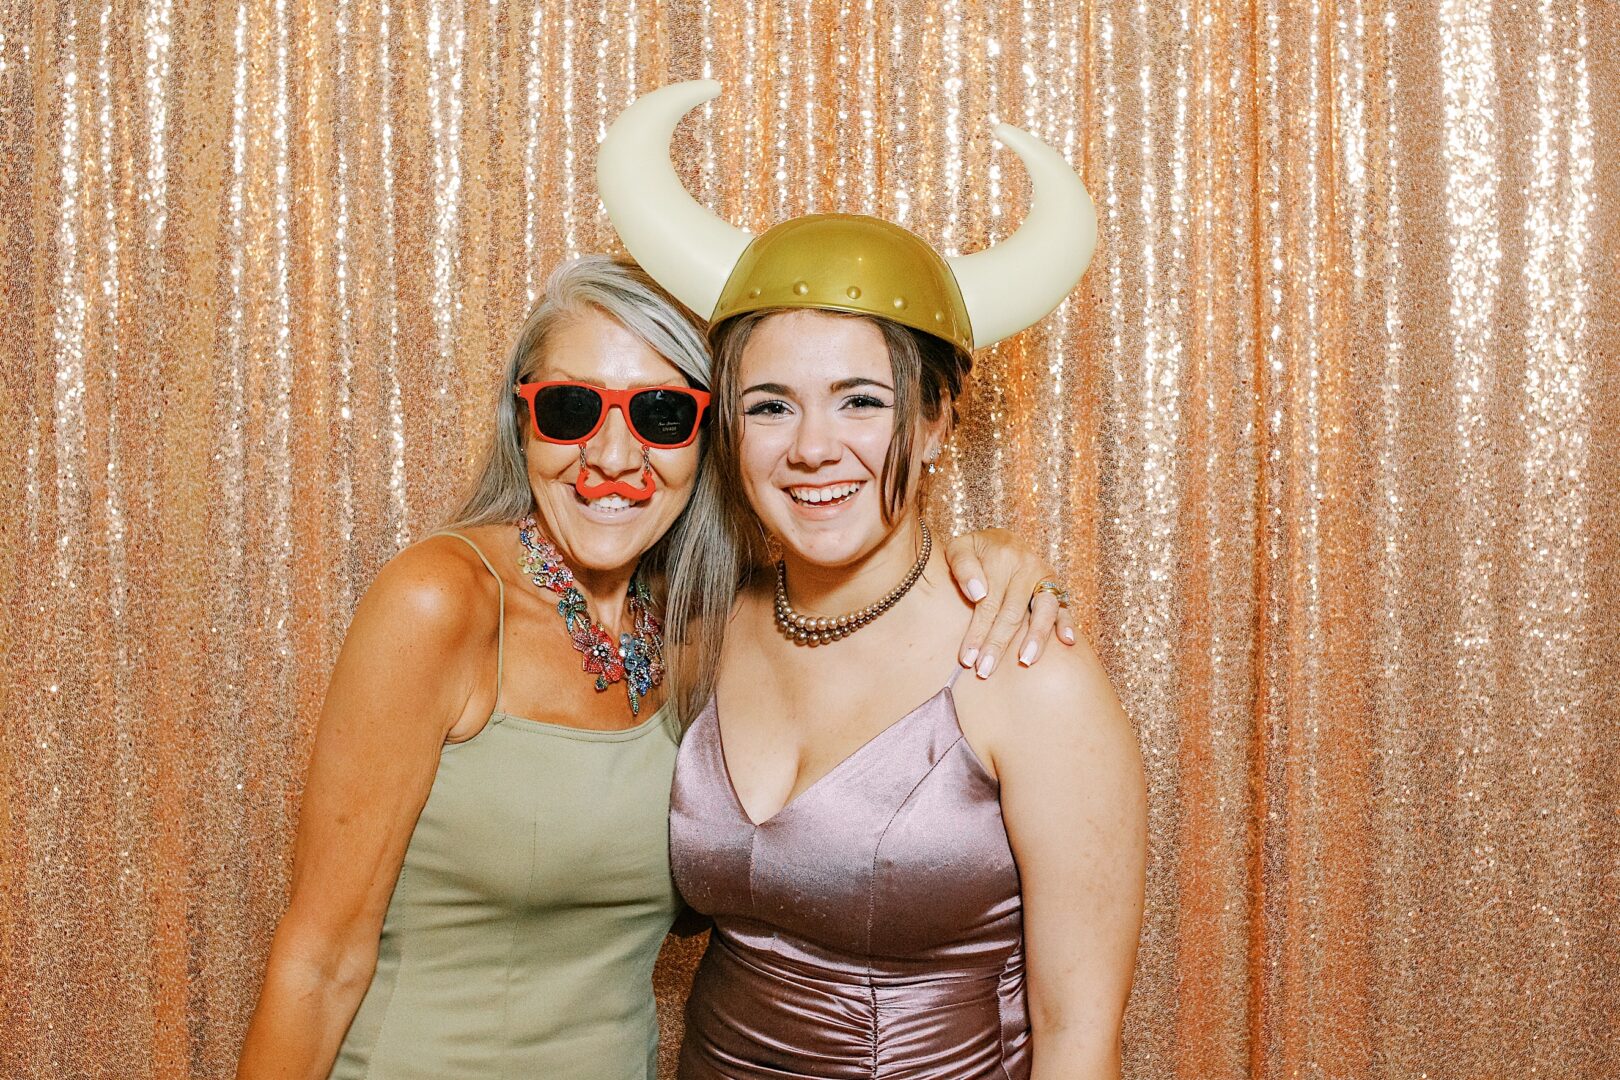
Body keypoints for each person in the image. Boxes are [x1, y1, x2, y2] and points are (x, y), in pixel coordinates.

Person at [235, 255, 1071, 1080]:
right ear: (520, 422)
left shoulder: (703, 632)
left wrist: (994, 562)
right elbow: (318, 959)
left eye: (662, 414)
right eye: (568, 408)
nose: (609, 455)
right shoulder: (441, 603)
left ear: (712, 437)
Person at [599, 82, 1147, 1078]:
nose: (814, 449)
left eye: (861, 400)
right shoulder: (705, 635)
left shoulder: (1027, 671)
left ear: (936, 422)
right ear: (729, 430)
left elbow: (1078, 1039)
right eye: (770, 406)